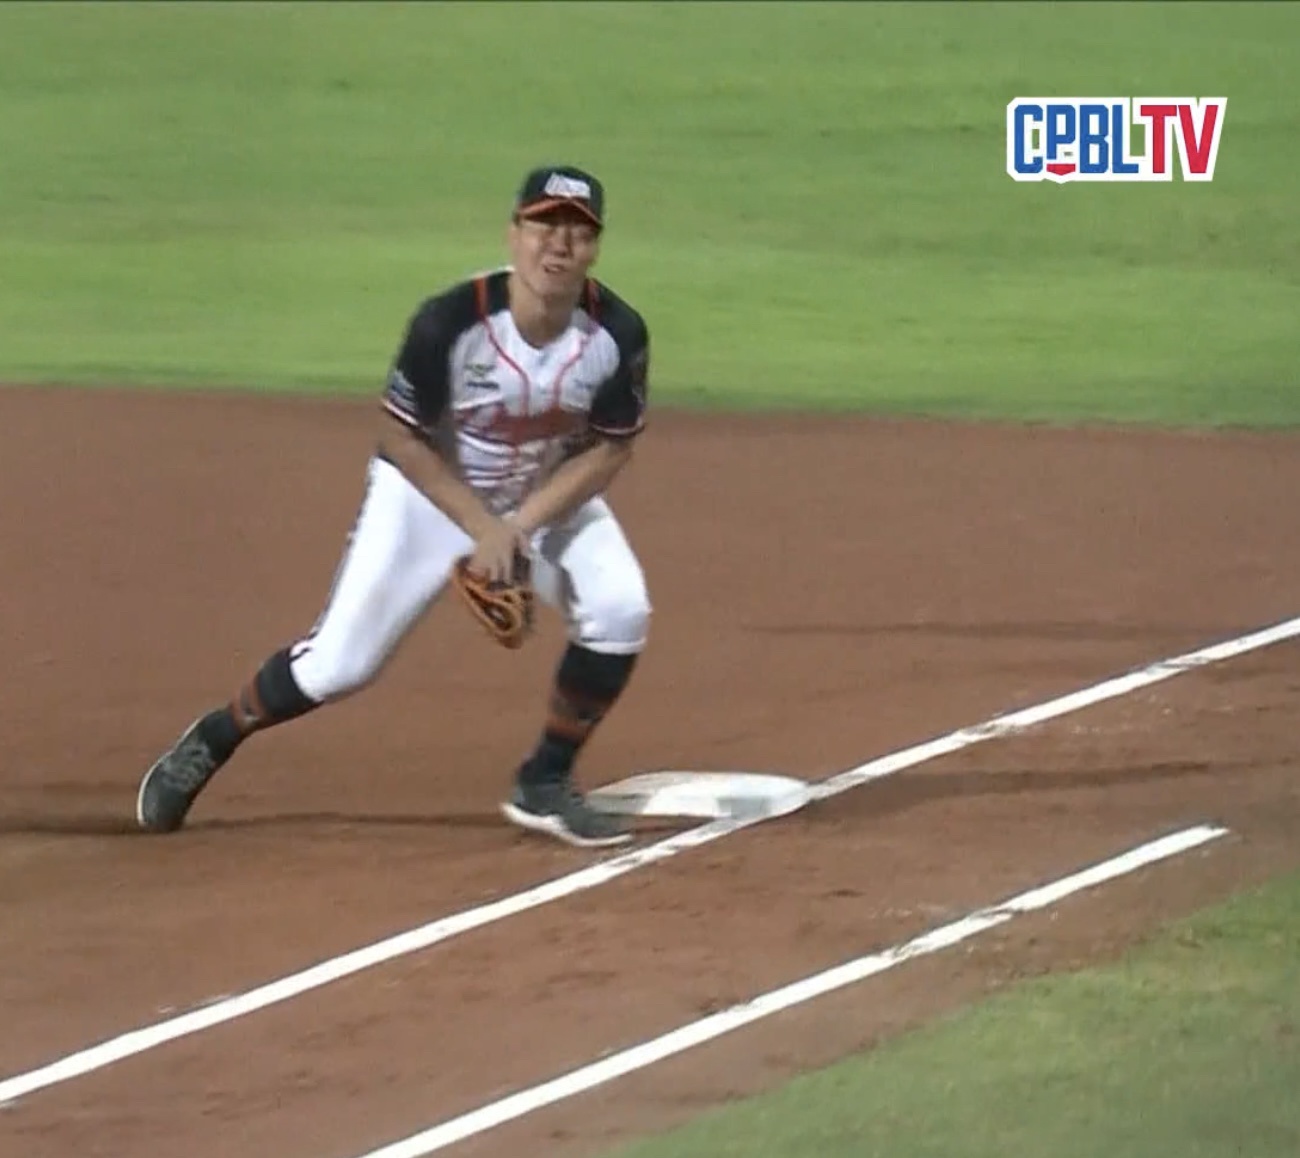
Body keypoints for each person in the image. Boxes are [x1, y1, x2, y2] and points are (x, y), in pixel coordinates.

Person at [135, 164, 653, 849]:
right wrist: (480, 526)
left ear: (595, 248)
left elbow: (612, 448)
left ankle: (544, 781)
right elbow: (401, 436)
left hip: (538, 499)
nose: (558, 244)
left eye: (577, 232)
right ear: (514, 234)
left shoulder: (616, 333)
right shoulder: (452, 322)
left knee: (621, 609)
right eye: (543, 225)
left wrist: (518, 527)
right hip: (426, 497)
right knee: (339, 667)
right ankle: (218, 733)